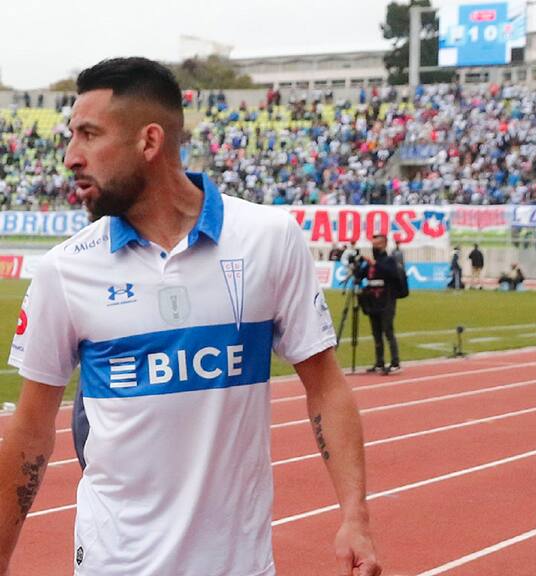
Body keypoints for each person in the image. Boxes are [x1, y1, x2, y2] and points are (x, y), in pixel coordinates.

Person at [0, 57, 380, 576]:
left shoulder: (268, 238)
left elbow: (327, 387)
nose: (70, 157)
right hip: (115, 564)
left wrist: (354, 516)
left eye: (88, 135)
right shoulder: (65, 270)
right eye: (72, 136)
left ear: (149, 142)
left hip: (239, 566)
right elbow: (30, 430)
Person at [359, 234, 401, 375]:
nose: (374, 247)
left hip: (387, 301)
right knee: (376, 333)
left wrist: (375, 264)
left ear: (383, 245)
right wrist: (358, 265)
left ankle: (395, 362)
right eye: (373, 244)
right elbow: (360, 275)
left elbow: (392, 274)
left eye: (377, 244)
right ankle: (379, 362)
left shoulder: (389, 260)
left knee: (388, 331)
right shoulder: (371, 264)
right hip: (372, 302)